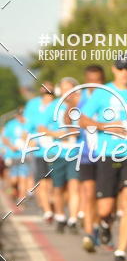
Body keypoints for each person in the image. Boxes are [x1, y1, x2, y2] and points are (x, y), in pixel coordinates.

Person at [80, 55, 127, 261]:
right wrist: (104, 126)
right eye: (121, 68)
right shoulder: (102, 93)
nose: (125, 72)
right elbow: (82, 120)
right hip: (107, 154)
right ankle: (103, 224)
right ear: (113, 69)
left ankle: (120, 253)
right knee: (105, 208)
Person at [38, 77, 81, 233]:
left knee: (74, 186)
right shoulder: (53, 106)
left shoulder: (80, 106)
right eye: (63, 89)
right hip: (57, 153)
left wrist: (74, 132)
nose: (66, 92)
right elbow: (41, 127)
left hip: (76, 152)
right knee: (59, 188)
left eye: (70, 89)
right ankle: (61, 217)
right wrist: (56, 134)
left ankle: (73, 220)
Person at [78, 65, 105, 252]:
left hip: (106, 153)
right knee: (89, 194)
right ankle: (89, 234)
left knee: (101, 197)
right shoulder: (81, 100)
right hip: (87, 154)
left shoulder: (110, 98)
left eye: (99, 81)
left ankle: (97, 226)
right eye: (92, 81)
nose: (95, 85)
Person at [23, 81, 55, 221]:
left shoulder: (58, 105)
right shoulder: (33, 105)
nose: (47, 95)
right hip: (40, 152)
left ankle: (51, 203)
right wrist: (31, 140)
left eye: (50, 92)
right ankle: (47, 209)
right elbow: (26, 128)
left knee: (54, 183)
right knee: (43, 181)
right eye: (45, 92)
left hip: (58, 151)